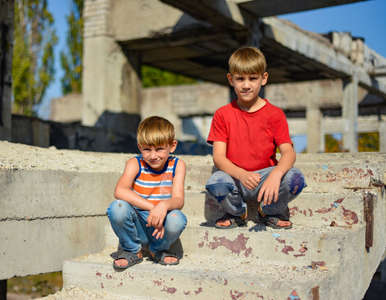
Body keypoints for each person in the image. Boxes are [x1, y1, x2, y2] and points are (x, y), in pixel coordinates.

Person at [205, 46, 306, 230]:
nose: (246, 85)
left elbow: (288, 152)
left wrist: (276, 174)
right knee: (216, 181)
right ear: (231, 80)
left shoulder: (275, 114)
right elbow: (219, 157)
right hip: (235, 176)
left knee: (295, 178)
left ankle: (269, 210)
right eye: (240, 79)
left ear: (264, 78)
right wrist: (241, 174)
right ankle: (237, 212)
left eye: (253, 78)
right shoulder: (222, 114)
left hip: (266, 178)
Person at [107, 116, 187, 270]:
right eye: (147, 149)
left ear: (172, 146)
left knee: (178, 219)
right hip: (138, 223)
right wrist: (153, 208)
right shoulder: (135, 163)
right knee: (117, 207)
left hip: (160, 227)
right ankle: (132, 250)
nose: (153, 155)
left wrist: (163, 206)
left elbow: (178, 200)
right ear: (139, 147)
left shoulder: (177, 165)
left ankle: (157, 249)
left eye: (159, 149)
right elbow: (120, 191)